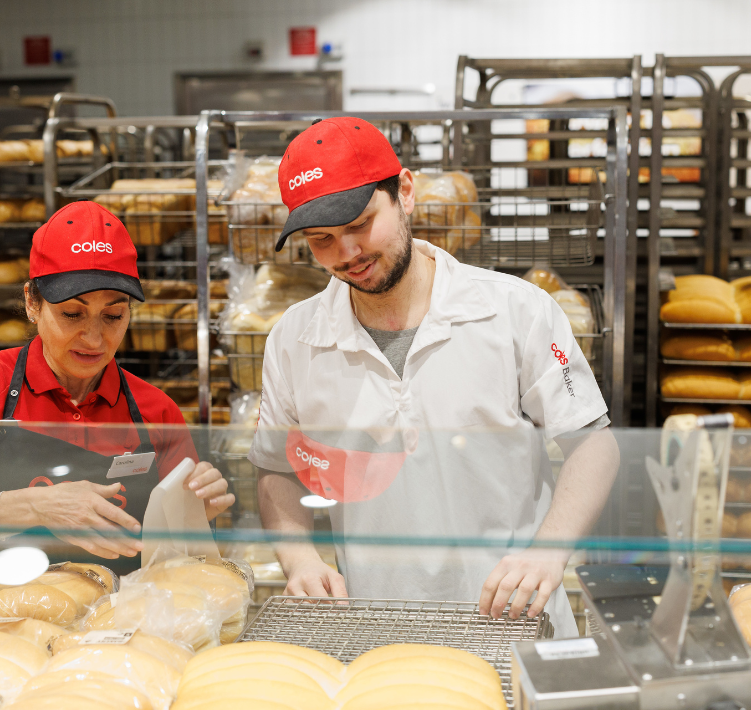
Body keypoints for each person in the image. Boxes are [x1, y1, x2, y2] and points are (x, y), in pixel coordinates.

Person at [250, 117, 621, 636]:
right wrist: (300, 559)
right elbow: (276, 468)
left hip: (511, 618)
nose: (347, 253)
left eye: (359, 225)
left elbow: (593, 445)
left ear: (405, 192)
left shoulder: (516, 311)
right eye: (321, 239)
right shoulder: (294, 338)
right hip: (373, 627)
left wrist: (548, 554)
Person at [0, 201, 233, 572]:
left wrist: (197, 510)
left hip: (119, 620)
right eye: (72, 314)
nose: (94, 338)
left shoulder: (156, 409)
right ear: (32, 303)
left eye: (113, 315)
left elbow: (183, 554)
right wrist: (37, 505)